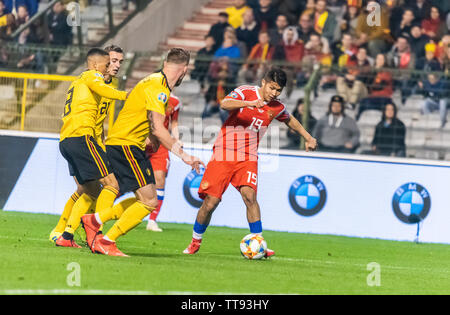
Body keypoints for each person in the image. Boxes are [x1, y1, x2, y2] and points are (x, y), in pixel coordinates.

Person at [81, 48, 204, 257]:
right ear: (184, 70)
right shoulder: (160, 87)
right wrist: (184, 156)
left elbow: (147, 121)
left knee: (143, 197)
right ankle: (106, 240)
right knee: (149, 201)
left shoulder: (153, 80)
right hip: (126, 145)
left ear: (165, 63)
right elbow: (157, 126)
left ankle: (95, 220)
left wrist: (152, 140)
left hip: (124, 143)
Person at [182, 68, 317, 256]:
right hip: (224, 153)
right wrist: (249, 103)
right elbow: (224, 103)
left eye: (278, 90)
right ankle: (195, 242)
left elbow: (290, 119)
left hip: (248, 156)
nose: (274, 93)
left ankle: (259, 242)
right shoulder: (246, 92)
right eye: (272, 88)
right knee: (211, 203)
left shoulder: (276, 106)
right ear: (263, 82)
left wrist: (308, 137)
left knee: (250, 197)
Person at [49, 45, 125, 243]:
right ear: (100, 63)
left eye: (119, 62)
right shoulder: (94, 80)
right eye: (112, 61)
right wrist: (133, 95)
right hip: (81, 137)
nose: (115, 66)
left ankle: (68, 234)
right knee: (104, 186)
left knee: (90, 190)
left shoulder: (105, 87)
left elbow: (99, 123)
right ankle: (91, 234)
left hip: (81, 139)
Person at [145, 94, 182, 232]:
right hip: (142, 141)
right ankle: (103, 209)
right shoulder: (147, 94)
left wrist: (176, 139)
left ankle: (152, 220)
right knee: (124, 180)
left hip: (161, 145)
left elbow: (174, 123)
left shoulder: (175, 101)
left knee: (160, 180)